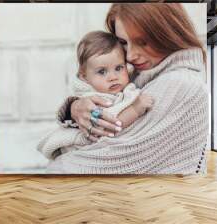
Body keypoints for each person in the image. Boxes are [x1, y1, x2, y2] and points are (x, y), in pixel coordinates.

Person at [49, 3, 208, 174]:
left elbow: (114, 160)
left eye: (143, 42)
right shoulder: (142, 75)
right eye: (124, 42)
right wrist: (74, 108)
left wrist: (54, 169)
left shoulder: (180, 83)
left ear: (168, 33)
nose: (130, 56)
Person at [37, 31, 153, 161]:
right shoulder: (95, 100)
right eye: (102, 71)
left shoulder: (126, 87)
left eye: (119, 68)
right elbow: (105, 127)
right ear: (84, 76)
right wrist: (136, 109)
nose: (113, 77)